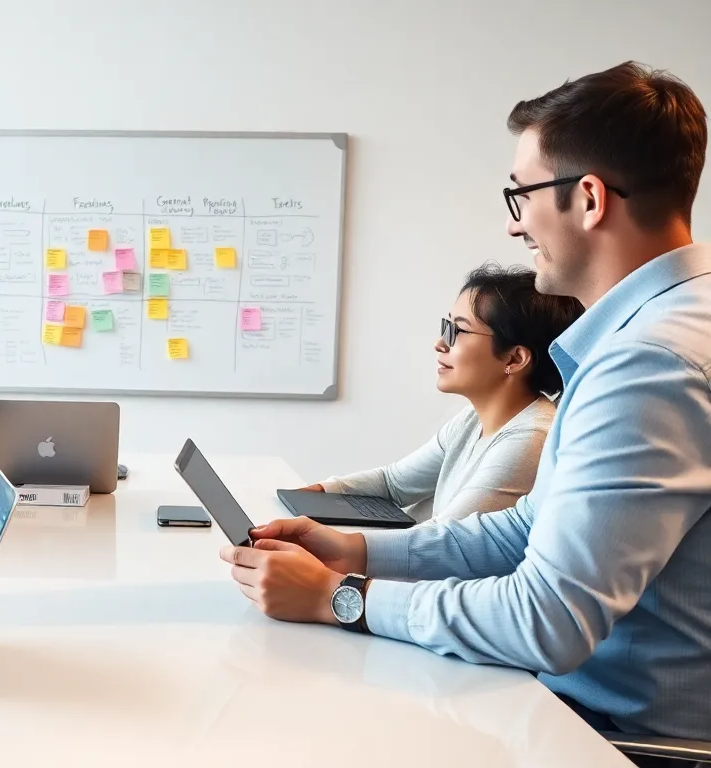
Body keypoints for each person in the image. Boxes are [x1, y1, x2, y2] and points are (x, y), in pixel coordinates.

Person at [221, 61, 711, 752]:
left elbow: (547, 618)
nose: (516, 227)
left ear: (591, 199)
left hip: (612, 741)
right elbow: (526, 531)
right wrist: (355, 549)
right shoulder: (664, 328)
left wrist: (340, 597)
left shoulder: (649, 361)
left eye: (523, 196)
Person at [298, 264, 582, 523]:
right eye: (447, 326)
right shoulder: (473, 419)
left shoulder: (530, 439)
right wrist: (308, 495)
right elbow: (393, 484)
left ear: (514, 360)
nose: (440, 344)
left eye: (458, 331)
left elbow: (444, 539)